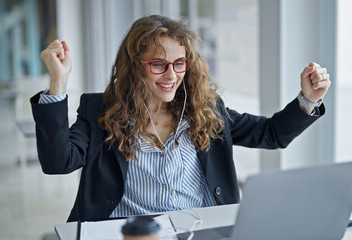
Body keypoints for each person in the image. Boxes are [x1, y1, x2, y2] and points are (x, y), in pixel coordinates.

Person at [32, 15, 331, 222]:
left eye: (179, 63)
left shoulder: (206, 109)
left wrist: (309, 98)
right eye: (158, 64)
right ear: (135, 66)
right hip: (131, 232)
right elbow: (58, 162)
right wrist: (58, 82)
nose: (171, 75)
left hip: (199, 228)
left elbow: (271, 134)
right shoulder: (101, 113)